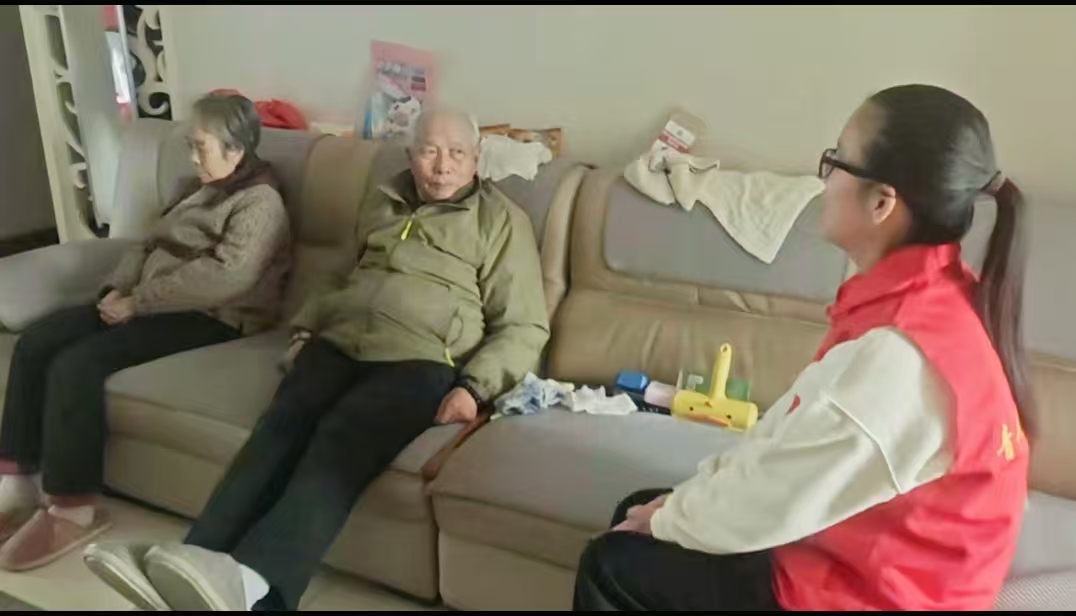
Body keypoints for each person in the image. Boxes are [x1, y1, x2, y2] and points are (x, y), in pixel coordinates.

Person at [573, 84, 1031, 611]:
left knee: (612, 563)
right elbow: (786, 443)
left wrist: (669, 519)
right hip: (862, 559)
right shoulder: (931, 298)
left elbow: (772, 498)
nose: (824, 180)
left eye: (836, 161)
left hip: (871, 595)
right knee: (646, 516)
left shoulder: (899, 359)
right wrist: (674, 510)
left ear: (882, 202)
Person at [85, 108, 550, 611]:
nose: (443, 166)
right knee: (279, 428)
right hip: (339, 341)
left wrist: (474, 387)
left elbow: (524, 325)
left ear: (476, 158)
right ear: (410, 154)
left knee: (339, 441)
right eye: (430, 151)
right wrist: (307, 328)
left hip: (421, 361)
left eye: (457, 153)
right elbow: (345, 275)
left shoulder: (500, 222)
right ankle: (191, 565)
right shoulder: (383, 200)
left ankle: (255, 587)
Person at [0, 93, 292, 571]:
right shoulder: (194, 188)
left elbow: (226, 277)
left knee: (77, 364)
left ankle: (73, 508)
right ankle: (17, 484)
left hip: (212, 318)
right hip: (144, 302)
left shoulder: (261, 202)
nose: (192, 157)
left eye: (201, 147)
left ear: (236, 149)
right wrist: (116, 288)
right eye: (190, 146)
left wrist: (138, 303)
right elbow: (146, 244)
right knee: (37, 342)